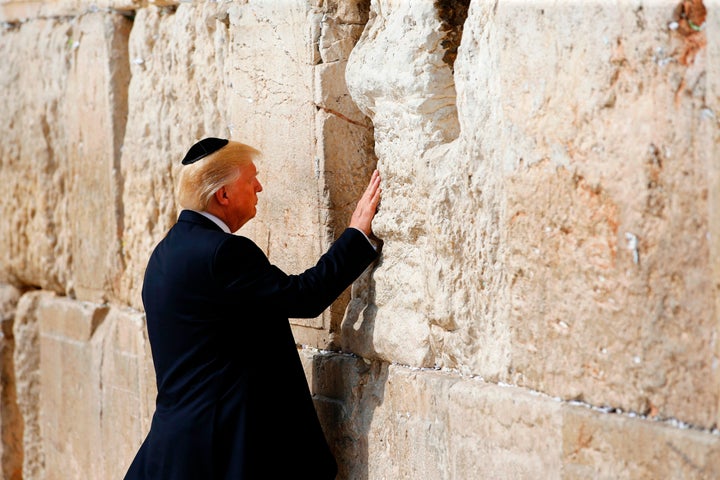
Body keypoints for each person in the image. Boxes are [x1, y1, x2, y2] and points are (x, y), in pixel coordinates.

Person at [124, 138, 381, 479]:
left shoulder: (165, 253)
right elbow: (304, 297)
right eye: (251, 179)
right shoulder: (223, 254)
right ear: (223, 195)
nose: (259, 187)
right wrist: (356, 234)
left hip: (181, 446)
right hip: (228, 450)